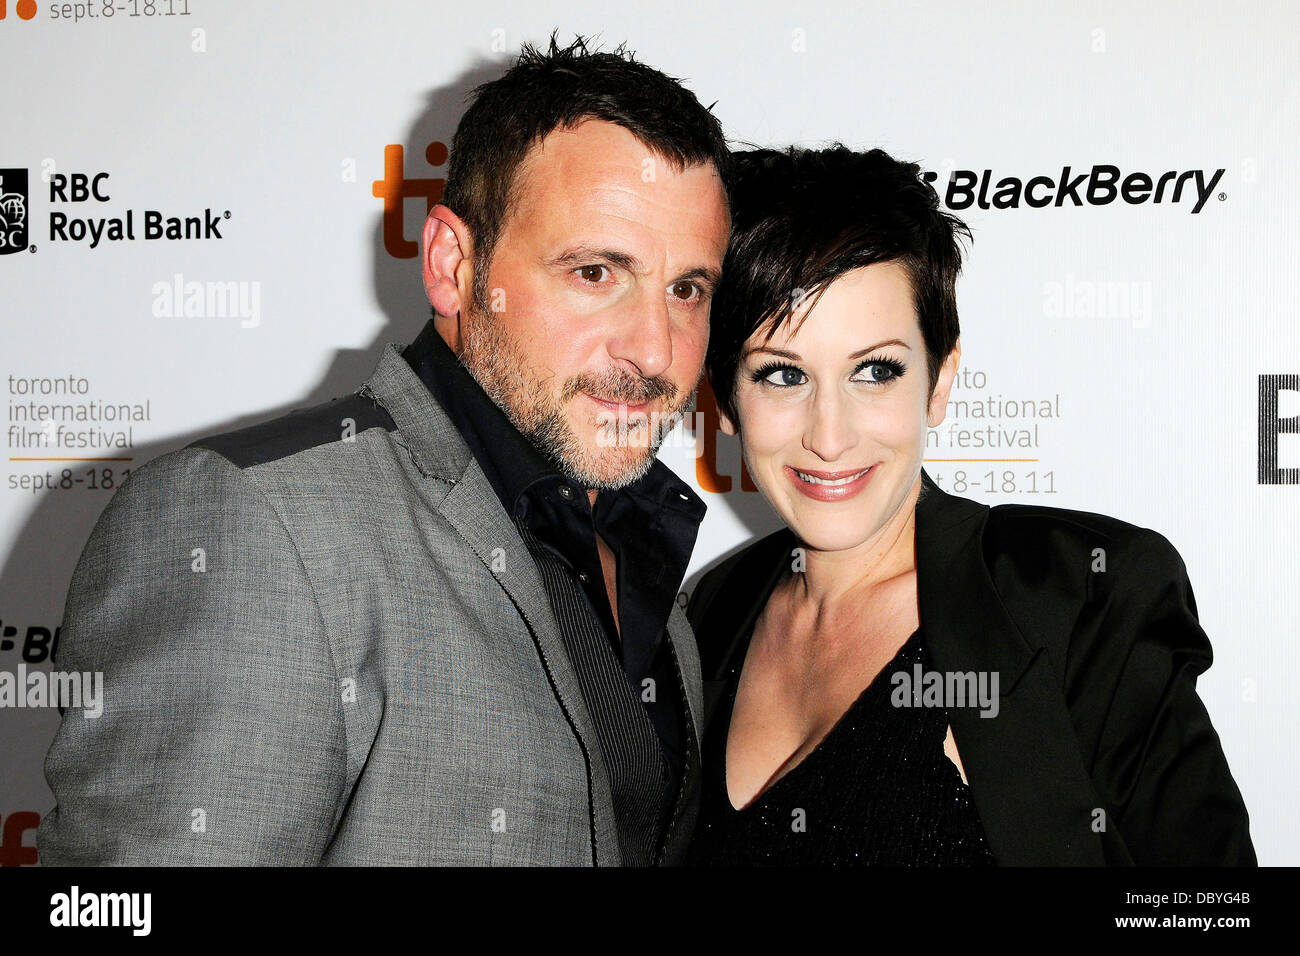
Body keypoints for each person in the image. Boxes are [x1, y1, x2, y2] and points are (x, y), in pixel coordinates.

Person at [37, 34, 730, 866]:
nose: (654, 350)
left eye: (687, 289)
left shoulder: (645, 547)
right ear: (452, 264)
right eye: (594, 273)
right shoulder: (253, 525)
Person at [685, 144, 1255, 866]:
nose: (830, 435)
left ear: (940, 381)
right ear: (726, 402)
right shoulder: (708, 617)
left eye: (875, 371)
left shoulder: (1079, 601)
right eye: (781, 375)